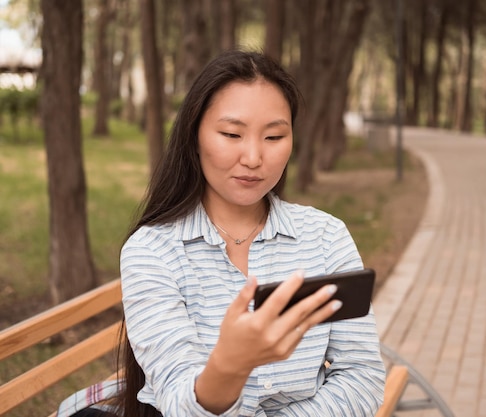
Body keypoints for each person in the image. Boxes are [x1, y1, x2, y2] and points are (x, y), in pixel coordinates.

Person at [109, 50, 385, 417]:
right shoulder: (152, 251)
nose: (254, 157)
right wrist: (229, 366)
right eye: (231, 134)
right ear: (194, 135)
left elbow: (361, 375)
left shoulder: (326, 237)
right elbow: (177, 398)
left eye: (273, 137)